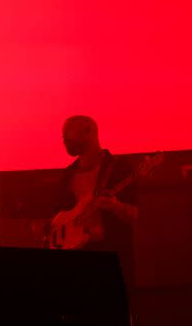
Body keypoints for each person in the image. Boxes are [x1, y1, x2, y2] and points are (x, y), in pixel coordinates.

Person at [51, 115, 138, 282]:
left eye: (68, 134)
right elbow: (58, 216)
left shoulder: (120, 169)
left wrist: (116, 206)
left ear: (89, 133)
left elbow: (135, 215)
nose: (64, 140)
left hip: (113, 254)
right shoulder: (67, 176)